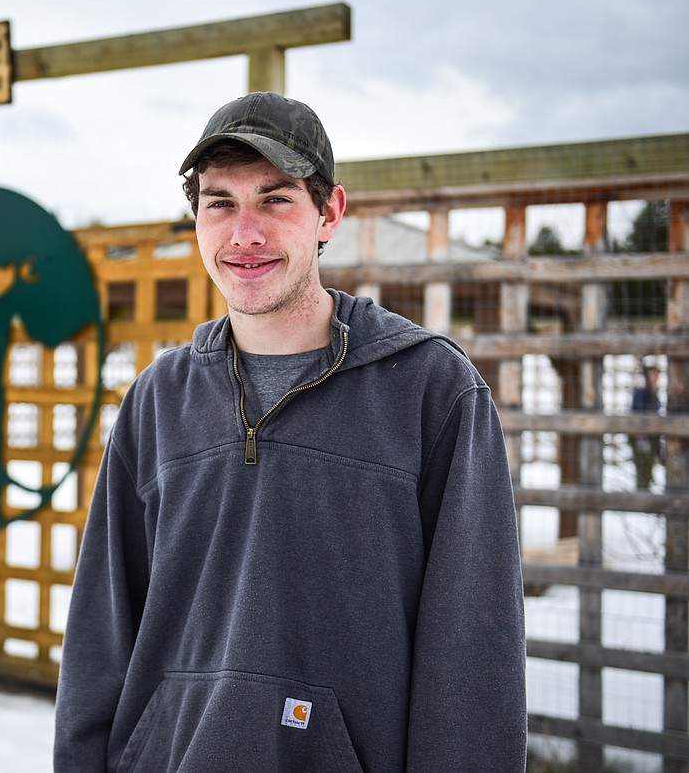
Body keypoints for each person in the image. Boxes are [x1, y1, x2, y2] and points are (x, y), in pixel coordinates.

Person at [53, 92, 527, 771]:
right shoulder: (157, 402)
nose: (244, 235)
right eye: (220, 203)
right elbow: (100, 638)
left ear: (329, 212)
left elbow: (473, 662)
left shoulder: (432, 392)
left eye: (275, 200)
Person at [631, 362, 663, 491]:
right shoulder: (640, 393)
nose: (655, 377)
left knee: (649, 462)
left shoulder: (654, 393)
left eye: (657, 375)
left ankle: (646, 486)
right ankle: (641, 487)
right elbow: (636, 412)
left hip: (651, 437)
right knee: (641, 462)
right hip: (641, 436)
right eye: (653, 374)